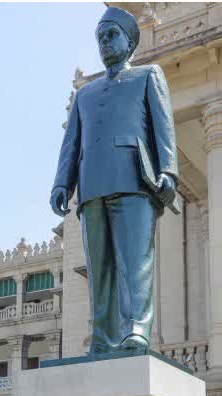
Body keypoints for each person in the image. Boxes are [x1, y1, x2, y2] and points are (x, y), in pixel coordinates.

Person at [51, 7, 180, 355]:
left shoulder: (147, 76)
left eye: (112, 35)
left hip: (134, 181)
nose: (105, 43)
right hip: (91, 187)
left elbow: (163, 127)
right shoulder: (85, 95)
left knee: (136, 262)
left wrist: (168, 171)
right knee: (100, 268)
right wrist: (62, 183)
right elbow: (70, 145)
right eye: (100, 38)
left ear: (129, 40)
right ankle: (104, 336)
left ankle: (136, 329)